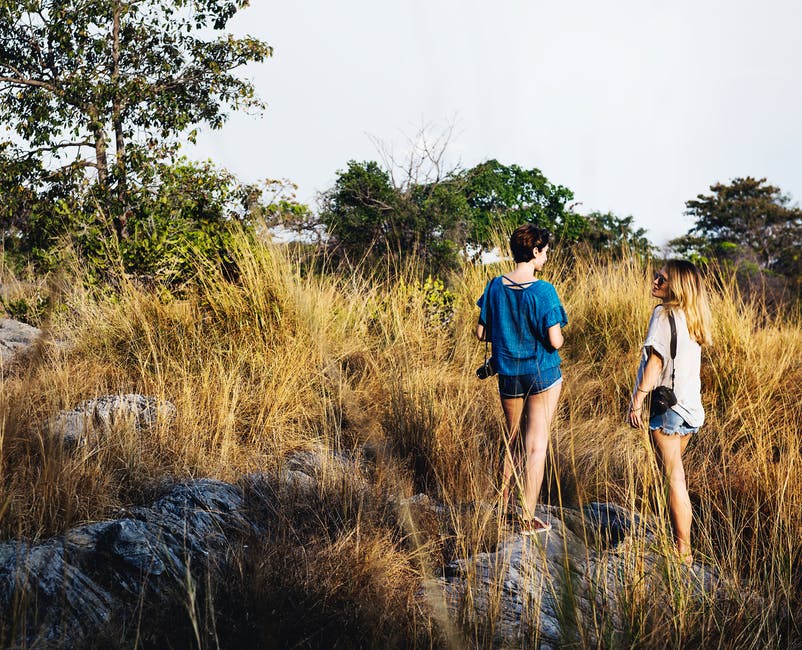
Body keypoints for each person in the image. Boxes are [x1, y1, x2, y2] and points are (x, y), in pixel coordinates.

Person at [476, 224, 567, 535]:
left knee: (511, 441)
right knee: (535, 445)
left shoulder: (494, 286)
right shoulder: (544, 291)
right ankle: (526, 517)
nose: (545, 257)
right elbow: (555, 341)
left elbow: (481, 333)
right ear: (535, 251)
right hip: (542, 373)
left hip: (508, 373)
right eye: (544, 251)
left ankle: (502, 511)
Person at [628, 260, 712, 565]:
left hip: (668, 409)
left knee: (674, 478)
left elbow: (655, 363)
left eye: (661, 279)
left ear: (675, 286)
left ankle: (683, 551)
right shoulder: (694, 315)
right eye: (656, 275)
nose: (655, 280)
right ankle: (680, 543)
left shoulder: (663, 314)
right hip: (691, 409)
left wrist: (637, 399)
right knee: (676, 476)